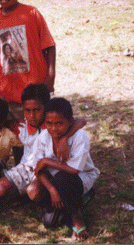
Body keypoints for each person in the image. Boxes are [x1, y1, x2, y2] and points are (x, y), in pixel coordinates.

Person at [0, 84, 86, 203]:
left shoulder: (53, 125)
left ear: (46, 108)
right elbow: (2, 122)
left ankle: (48, 197)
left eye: (36, 110)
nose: (31, 115)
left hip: (46, 169)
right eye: (27, 110)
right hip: (26, 168)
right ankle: (24, 193)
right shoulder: (22, 125)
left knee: (34, 192)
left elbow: (81, 121)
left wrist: (65, 138)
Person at [0, 0, 56, 120]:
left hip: (34, 91)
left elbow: (49, 46)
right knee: (13, 135)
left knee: (38, 134)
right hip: (6, 92)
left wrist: (51, 76)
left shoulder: (31, 14)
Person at [26, 97, 99, 241]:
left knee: (63, 177)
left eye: (59, 123)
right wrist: (52, 191)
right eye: (49, 123)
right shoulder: (43, 137)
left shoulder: (79, 136)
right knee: (50, 222)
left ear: (70, 121)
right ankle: (78, 200)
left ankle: (77, 216)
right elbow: (38, 169)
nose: (53, 128)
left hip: (78, 178)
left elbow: (74, 170)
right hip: (55, 181)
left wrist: (46, 160)